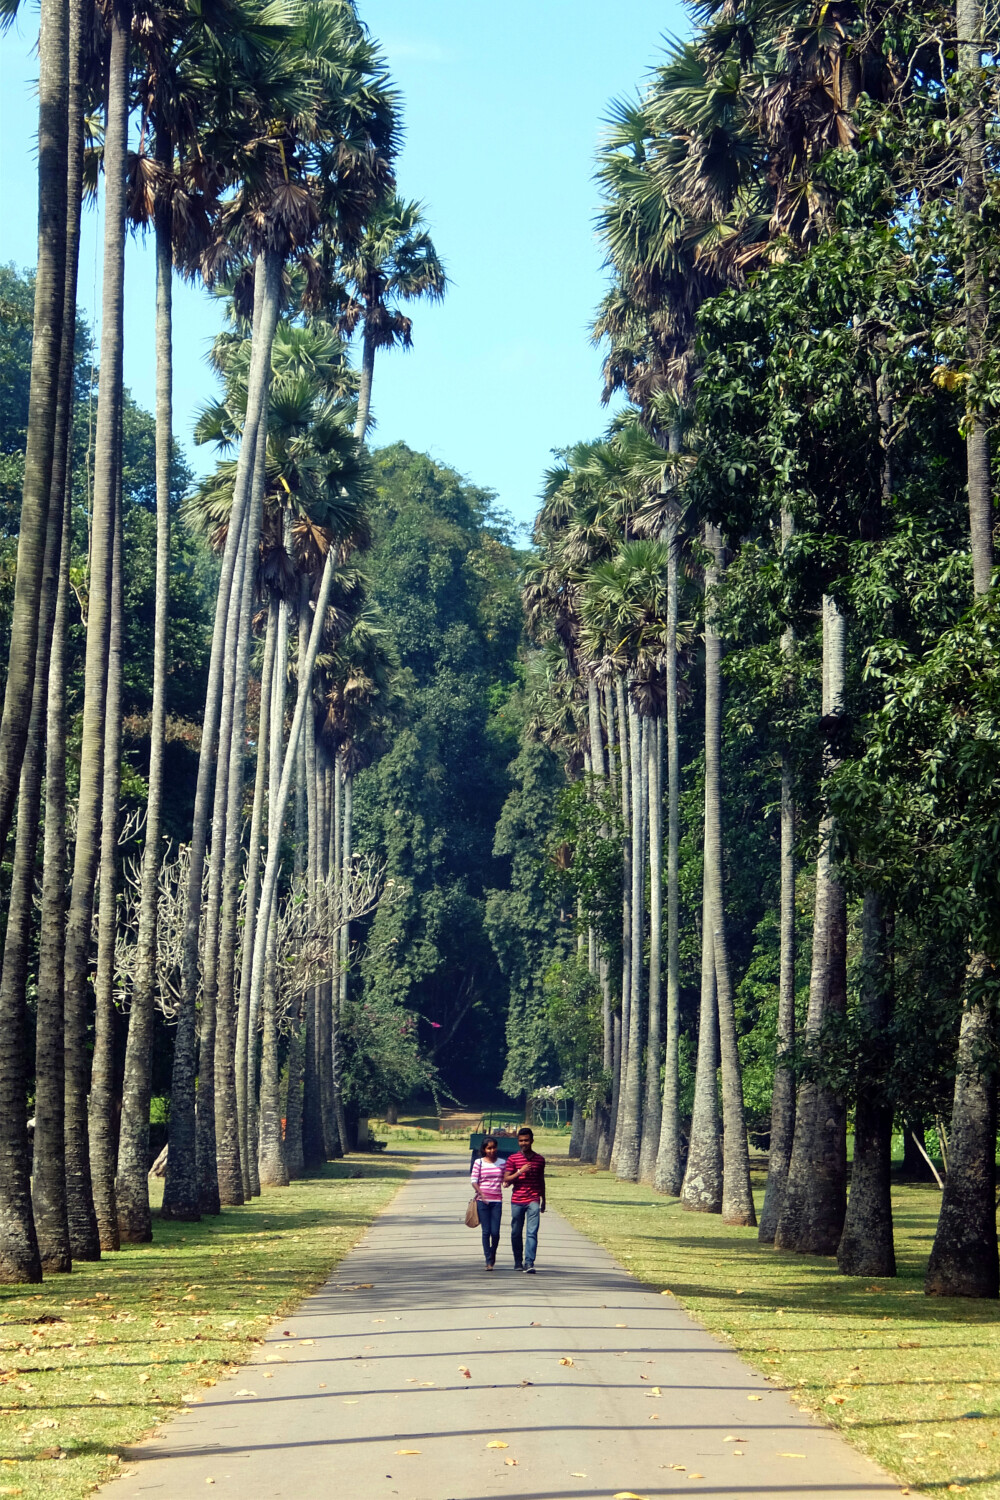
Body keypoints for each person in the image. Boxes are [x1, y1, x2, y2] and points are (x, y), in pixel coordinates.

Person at [504, 1127, 546, 1273]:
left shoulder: (540, 1160)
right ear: (518, 1142)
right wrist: (520, 1171)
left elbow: (541, 1180)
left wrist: (544, 1199)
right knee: (516, 1231)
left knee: (532, 1232)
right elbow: (506, 1179)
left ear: (532, 1141)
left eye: (526, 1140)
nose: (524, 1143)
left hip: (533, 1199)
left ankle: (529, 1262)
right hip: (517, 1200)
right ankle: (518, 1261)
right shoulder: (513, 1159)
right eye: (521, 1140)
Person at [470, 1136, 504, 1269]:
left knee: (495, 1232)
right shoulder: (479, 1162)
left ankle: (493, 1252)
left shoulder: (502, 1162)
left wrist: (507, 1182)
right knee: (486, 1231)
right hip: (482, 1202)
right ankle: (488, 1260)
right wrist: (481, 1194)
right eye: (488, 1148)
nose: (491, 1150)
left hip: (497, 1201)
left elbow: (504, 1179)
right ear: (484, 1149)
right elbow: (474, 1180)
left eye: (493, 1147)